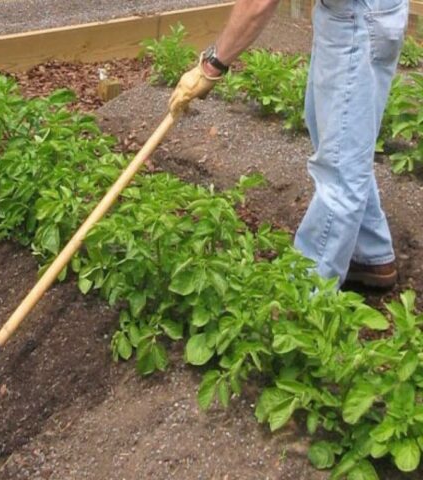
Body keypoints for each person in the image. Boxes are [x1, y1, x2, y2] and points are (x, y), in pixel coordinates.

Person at [169, 0, 409, 289]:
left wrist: (212, 65)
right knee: (338, 138)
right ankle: (370, 255)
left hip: (358, 19)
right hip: (357, 10)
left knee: (340, 168)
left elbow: (258, 3)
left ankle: (304, 296)